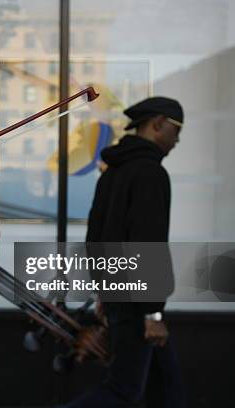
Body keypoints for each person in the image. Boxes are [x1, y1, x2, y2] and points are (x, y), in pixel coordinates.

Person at [64, 97, 185, 407]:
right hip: (138, 305)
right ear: (158, 124)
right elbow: (149, 244)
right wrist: (152, 313)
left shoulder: (112, 173)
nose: (178, 140)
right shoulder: (151, 174)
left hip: (121, 298)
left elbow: (96, 238)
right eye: (177, 129)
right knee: (123, 390)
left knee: (165, 385)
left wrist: (104, 291)